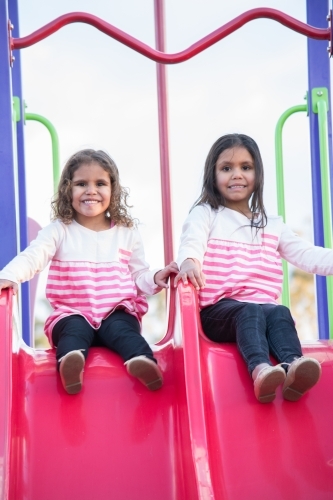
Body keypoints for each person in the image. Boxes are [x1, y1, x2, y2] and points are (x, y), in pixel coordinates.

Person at [0, 149, 177, 395]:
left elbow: (138, 276)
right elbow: (33, 256)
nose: (91, 190)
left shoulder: (126, 234)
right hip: (72, 311)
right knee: (73, 332)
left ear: (113, 191)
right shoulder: (59, 231)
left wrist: (156, 277)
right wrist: (8, 276)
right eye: (81, 183)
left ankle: (142, 362)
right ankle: (71, 366)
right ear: (67, 190)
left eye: (100, 183)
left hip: (116, 309)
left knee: (123, 332)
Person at [174, 133, 329, 403]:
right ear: (213, 175)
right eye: (226, 168)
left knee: (279, 312)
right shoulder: (207, 214)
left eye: (246, 167)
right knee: (250, 311)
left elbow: (306, 254)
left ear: (258, 174)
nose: (237, 175)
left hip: (262, 308)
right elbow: (193, 240)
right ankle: (260, 370)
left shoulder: (271, 224)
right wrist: (189, 260)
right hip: (218, 310)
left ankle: (293, 367)